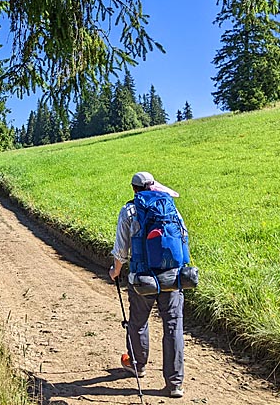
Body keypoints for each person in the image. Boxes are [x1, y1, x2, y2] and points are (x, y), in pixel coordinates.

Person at [108, 171, 186, 399]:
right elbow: (183, 235)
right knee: (173, 326)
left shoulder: (129, 210)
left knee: (138, 321)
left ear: (133, 189)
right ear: (153, 186)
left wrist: (115, 271)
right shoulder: (169, 206)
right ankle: (174, 384)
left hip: (143, 278)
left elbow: (121, 250)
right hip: (172, 276)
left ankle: (137, 364)